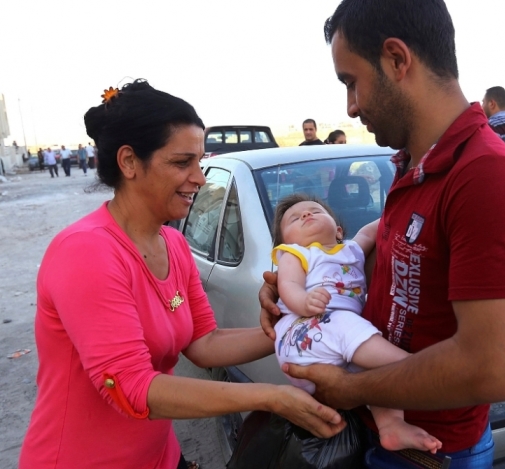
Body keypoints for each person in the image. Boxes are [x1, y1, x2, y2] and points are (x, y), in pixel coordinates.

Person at [260, 1, 505, 467]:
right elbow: (394, 280)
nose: (350, 107)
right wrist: (297, 288)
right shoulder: (414, 165)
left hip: (432, 451)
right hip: (389, 433)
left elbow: (499, 369)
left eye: (351, 83)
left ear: (396, 59)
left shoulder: (483, 175)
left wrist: (352, 388)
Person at [18, 80, 344, 469]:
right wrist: (270, 396)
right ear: (129, 162)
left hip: (160, 457)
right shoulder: (86, 252)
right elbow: (134, 388)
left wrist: (298, 326)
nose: (200, 179)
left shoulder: (172, 244)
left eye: (200, 162)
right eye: (181, 162)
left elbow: (203, 342)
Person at [272, 193, 441, 454]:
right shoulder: (296, 254)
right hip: (303, 330)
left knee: (372, 377)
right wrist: (304, 301)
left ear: (338, 230)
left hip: (334, 343)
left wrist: (414, 204)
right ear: (285, 241)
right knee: (349, 327)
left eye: (315, 211)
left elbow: (383, 223)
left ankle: (391, 425)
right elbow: (288, 285)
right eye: (295, 218)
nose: (306, 215)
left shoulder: (351, 249)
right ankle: (412, 364)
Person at [482, 86, 505, 157]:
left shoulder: (491, 124)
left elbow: (490, 154)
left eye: (483, 102)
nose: (482, 106)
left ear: (491, 104)